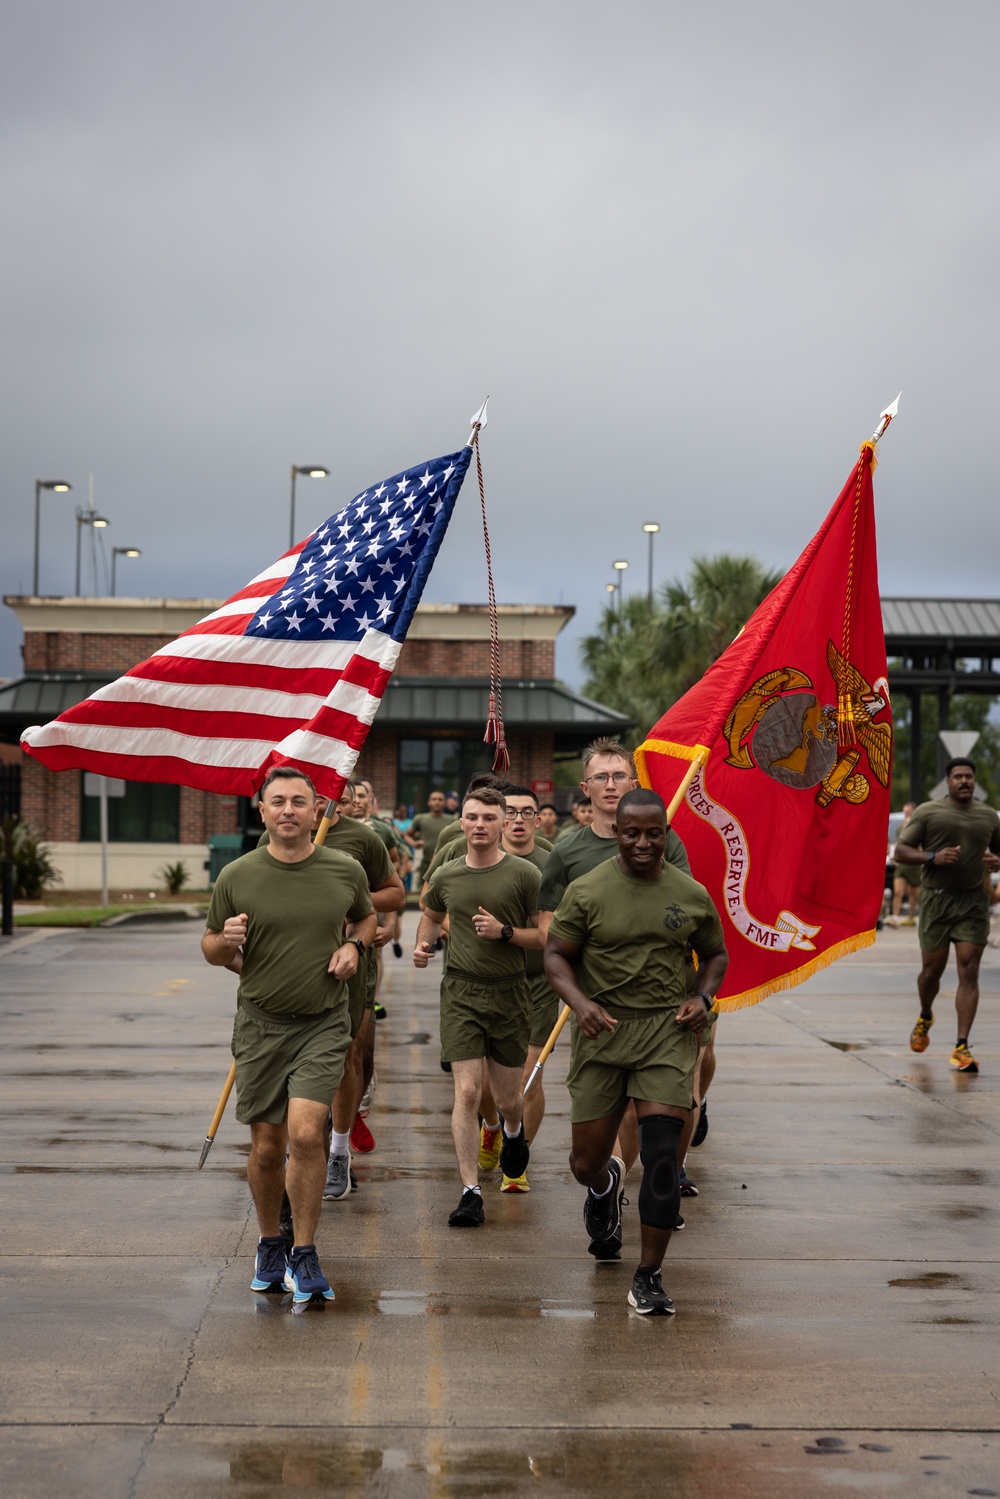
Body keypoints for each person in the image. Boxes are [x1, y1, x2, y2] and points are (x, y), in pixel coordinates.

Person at [544, 789, 728, 1316]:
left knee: (663, 1157)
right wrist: (579, 1004)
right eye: (633, 833)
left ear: (666, 835)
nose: (644, 843)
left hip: (666, 1032)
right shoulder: (587, 890)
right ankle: (603, 1186)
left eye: (654, 833)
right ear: (617, 833)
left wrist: (702, 996)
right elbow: (556, 956)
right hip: (602, 1033)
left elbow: (715, 953)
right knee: (585, 1162)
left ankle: (648, 1274)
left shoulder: (690, 893)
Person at [202, 767, 376, 1303]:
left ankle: (305, 1250)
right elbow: (210, 946)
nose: (288, 811)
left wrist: (355, 947)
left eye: (299, 802)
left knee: (305, 1134)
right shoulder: (237, 875)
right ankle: (269, 1241)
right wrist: (224, 940)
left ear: (316, 809)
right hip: (260, 1026)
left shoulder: (344, 869)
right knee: (267, 1143)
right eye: (277, 801)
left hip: (323, 1023)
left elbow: (366, 919)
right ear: (261, 809)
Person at [537, 738, 708, 1198]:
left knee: (646, 1110)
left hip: (664, 1002)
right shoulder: (566, 854)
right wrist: (578, 991)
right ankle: (609, 1179)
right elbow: (551, 934)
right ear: (585, 787)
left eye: (619, 776)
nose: (611, 785)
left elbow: (686, 913)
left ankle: (651, 1179)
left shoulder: (665, 846)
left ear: (633, 783)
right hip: (599, 1008)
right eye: (601, 777)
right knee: (597, 1133)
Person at [256, 781, 405, 1198]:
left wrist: (352, 907)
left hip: (350, 967)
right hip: (294, 967)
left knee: (345, 1056)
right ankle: (302, 1146)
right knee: (289, 1060)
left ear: (325, 799)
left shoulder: (363, 839)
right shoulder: (275, 839)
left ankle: (338, 1150)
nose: (295, 807)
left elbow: (395, 893)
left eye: (309, 796)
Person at [413, 786, 543, 1226]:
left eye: (489, 818)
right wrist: (422, 945)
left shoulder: (525, 875)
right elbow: (430, 914)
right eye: (472, 817)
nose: (480, 825)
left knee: (508, 1098)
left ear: (504, 823)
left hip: (510, 992)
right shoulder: (448, 875)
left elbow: (546, 935)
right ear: (461, 822)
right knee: (467, 1091)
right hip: (461, 992)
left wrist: (505, 932)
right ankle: (469, 1191)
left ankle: (512, 1131)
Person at [894, 758, 1000, 1072]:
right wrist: (932, 857)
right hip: (936, 902)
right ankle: (926, 1015)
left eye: (969, 777)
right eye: (958, 777)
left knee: (969, 971)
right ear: (949, 782)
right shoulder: (929, 812)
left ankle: (961, 1046)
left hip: (972, 903)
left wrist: (996, 861)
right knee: (931, 974)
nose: (964, 781)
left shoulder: (988, 816)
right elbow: (900, 851)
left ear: (974, 781)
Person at [404, 790, 456, 874]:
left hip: (447, 864)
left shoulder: (452, 820)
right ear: (429, 802)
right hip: (426, 864)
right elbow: (407, 835)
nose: (437, 802)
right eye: (434, 799)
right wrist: (414, 844)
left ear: (444, 803)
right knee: (423, 887)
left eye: (440, 800)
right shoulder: (420, 818)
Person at [887, 802, 921, 927]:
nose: (905, 813)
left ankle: (912, 916)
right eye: (904, 811)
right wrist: (894, 854)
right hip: (901, 864)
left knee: (915, 893)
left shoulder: (918, 826)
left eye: (908, 811)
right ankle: (895, 918)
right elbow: (898, 843)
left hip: (914, 865)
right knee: (897, 891)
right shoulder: (900, 828)